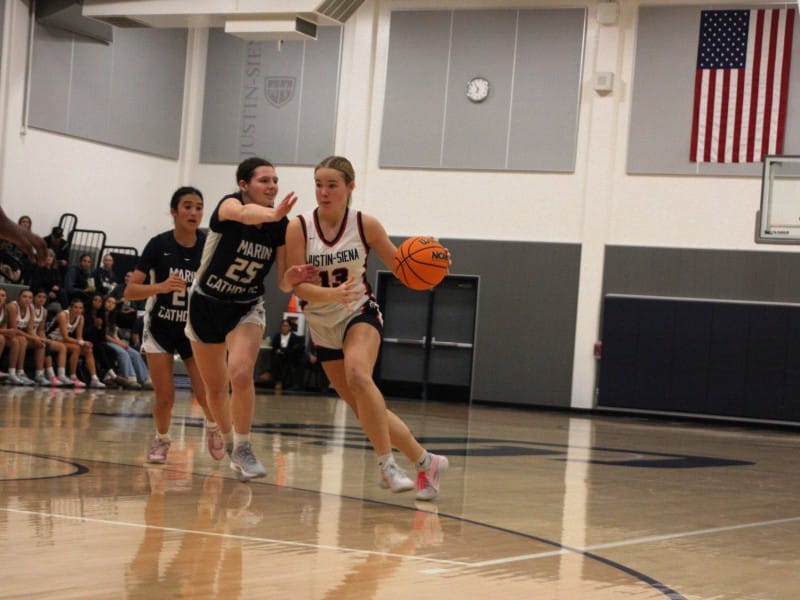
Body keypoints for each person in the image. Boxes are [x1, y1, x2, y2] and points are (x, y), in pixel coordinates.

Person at [284, 155, 449, 501]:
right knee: (365, 409)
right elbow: (297, 287)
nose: (324, 192)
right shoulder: (298, 227)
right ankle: (426, 460)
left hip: (360, 312)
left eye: (332, 185)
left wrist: (433, 261)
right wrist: (330, 293)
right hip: (322, 322)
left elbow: (404, 270)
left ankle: (387, 465)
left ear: (349, 187)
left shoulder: (365, 225)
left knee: (360, 377)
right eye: (319, 184)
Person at [185, 157, 317, 482]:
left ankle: (244, 446)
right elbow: (245, 214)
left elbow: (283, 283)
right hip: (206, 304)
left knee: (241, 373)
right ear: (244, 185)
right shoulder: (229, 206)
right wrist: (273, 212)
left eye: (275, 180)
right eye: (264, 180)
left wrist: (293, 275)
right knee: (215, 389)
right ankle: (229, 443)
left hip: (246, 306)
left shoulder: (280, 227)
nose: (272, 185)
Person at [125, 186, 222, 464]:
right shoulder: (158, 245)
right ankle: (162, 439)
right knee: (165, 397)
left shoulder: (208, 245)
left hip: (194, 330)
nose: (194, 212)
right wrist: (160, 286)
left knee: (206, 395)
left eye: (199, 207)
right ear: (174, 211)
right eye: (187, 206)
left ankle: (213, 429)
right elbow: (130, 291)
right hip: (160, 329)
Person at [45, 297, 106, 389]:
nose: (78, 310)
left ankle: (94, 378)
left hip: (64, 341)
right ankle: (72, 376)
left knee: (88, 349)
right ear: (70, 308)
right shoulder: (63, 315)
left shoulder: (81, 318)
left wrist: (83, 343)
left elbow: (79, 337)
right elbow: (65, 336)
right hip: (52, 339)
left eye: (80, 308)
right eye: (76, 307)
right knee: (76, 348)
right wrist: (81, 343)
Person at [102, 295, 151, 389]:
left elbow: (114, 334)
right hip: (103, 341)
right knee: (123, 352)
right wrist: (119, 343)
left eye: (113, 303)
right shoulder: (100, 317)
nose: (110, 304)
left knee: (135, 353)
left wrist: (121, 343)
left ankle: (145, 379)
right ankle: (130, 378)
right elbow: (104, 336)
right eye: (108, 302)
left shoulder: (113, 318)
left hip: (113, 341)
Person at [31, 289, 73, 386]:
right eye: (39, 297)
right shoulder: (30, 308)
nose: (41, 299)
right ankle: (48, 374)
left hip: (38, 336)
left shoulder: (44, 311)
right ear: (34, 298)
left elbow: (41, 330)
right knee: (44, 345)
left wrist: (42, 337)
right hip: (28, 336)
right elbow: (28, 329)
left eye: (44, 297)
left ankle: (61, 375)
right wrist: (41, 338)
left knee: (61, 347)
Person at [260, 319, 305, 390]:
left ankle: (270, 373)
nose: (284, 328)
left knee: (280, 360)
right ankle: (277, 379)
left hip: (290, 357)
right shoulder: (277, 336)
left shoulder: (294, 337)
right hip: (279, 356)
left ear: (290, 327)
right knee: (276, 358)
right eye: (283, 326)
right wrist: (277, 350)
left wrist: (283, 351)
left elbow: (294, 349)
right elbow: (274, 347)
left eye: (286, 326)